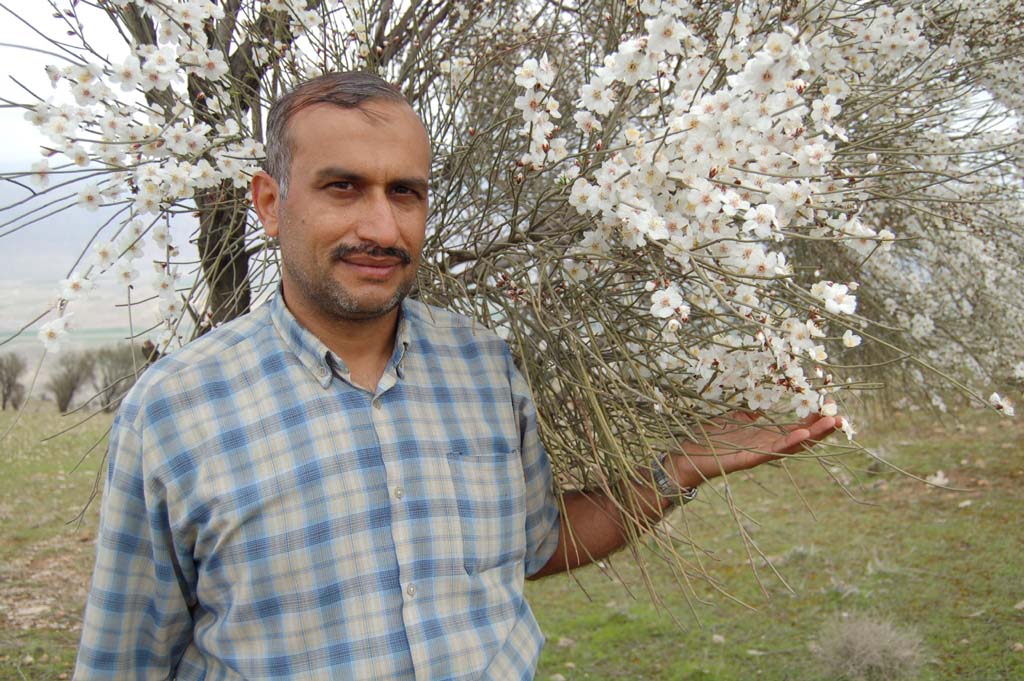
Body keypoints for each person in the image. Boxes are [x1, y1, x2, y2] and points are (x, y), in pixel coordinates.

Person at [74, 72, 838, 680]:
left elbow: (538, 543)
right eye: (343, 187)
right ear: (271, 204)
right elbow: (122, 660)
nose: (382, 226)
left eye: (404, 192)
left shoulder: (483, 366)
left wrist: (679, 468)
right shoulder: (173, 412)